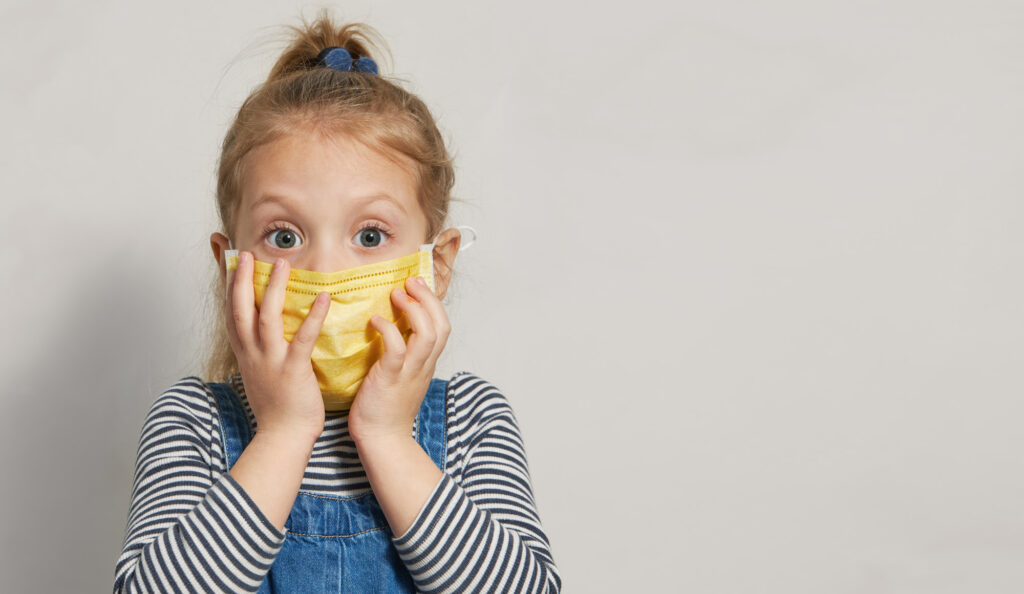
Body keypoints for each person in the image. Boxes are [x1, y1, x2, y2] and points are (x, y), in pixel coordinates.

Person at [113, 11, 560, 593]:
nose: (324, 274)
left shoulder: (471, 419)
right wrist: (281, 432)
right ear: (230, 268)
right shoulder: (194, 422)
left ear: (436, 264)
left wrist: (389, 436)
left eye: (370, 237)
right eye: (284, 237)